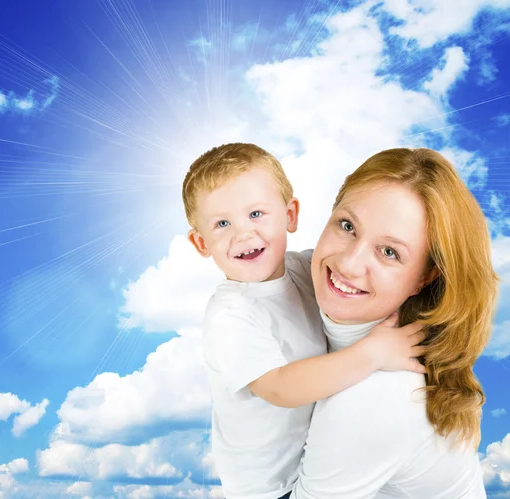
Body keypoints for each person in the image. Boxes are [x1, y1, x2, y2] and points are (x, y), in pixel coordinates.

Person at [182, 143, 427, 499]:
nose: (243, 234)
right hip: (268, 489)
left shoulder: (304, 269)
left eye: (256, 214)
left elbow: (362, 285)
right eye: (222, 223)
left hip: (314, 458)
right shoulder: (230, 317)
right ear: (201, 243)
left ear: (290, 215)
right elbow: (281, 389)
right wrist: (373, 354)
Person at [291, 147, 498, 499]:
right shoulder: (295, 286)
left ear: (425, 277)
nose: (349, 264)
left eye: (389, 252)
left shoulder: (375, 400)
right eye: (347, 226)